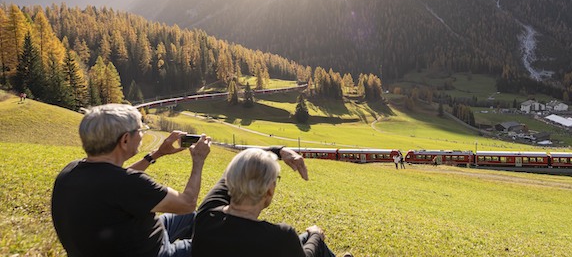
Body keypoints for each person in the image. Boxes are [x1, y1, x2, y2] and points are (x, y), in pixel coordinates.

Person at [51, 103, 211, 257]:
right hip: (158, 252)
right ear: (125, 139)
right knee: (217, 242)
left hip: (136, 240)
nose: (142, 134)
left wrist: (157, 154)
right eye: (140, 130)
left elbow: (117, 182)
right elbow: (187, 204)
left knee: (201, 217)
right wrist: (198, 160)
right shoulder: (130, 183)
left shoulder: (70, 171)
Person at [193, 148, 350, 257]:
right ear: (269, 190)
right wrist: (316, 235)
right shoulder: (280, 238)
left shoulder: (206, 215)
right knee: (316, 245)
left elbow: (245, 162)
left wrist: (280, 151)